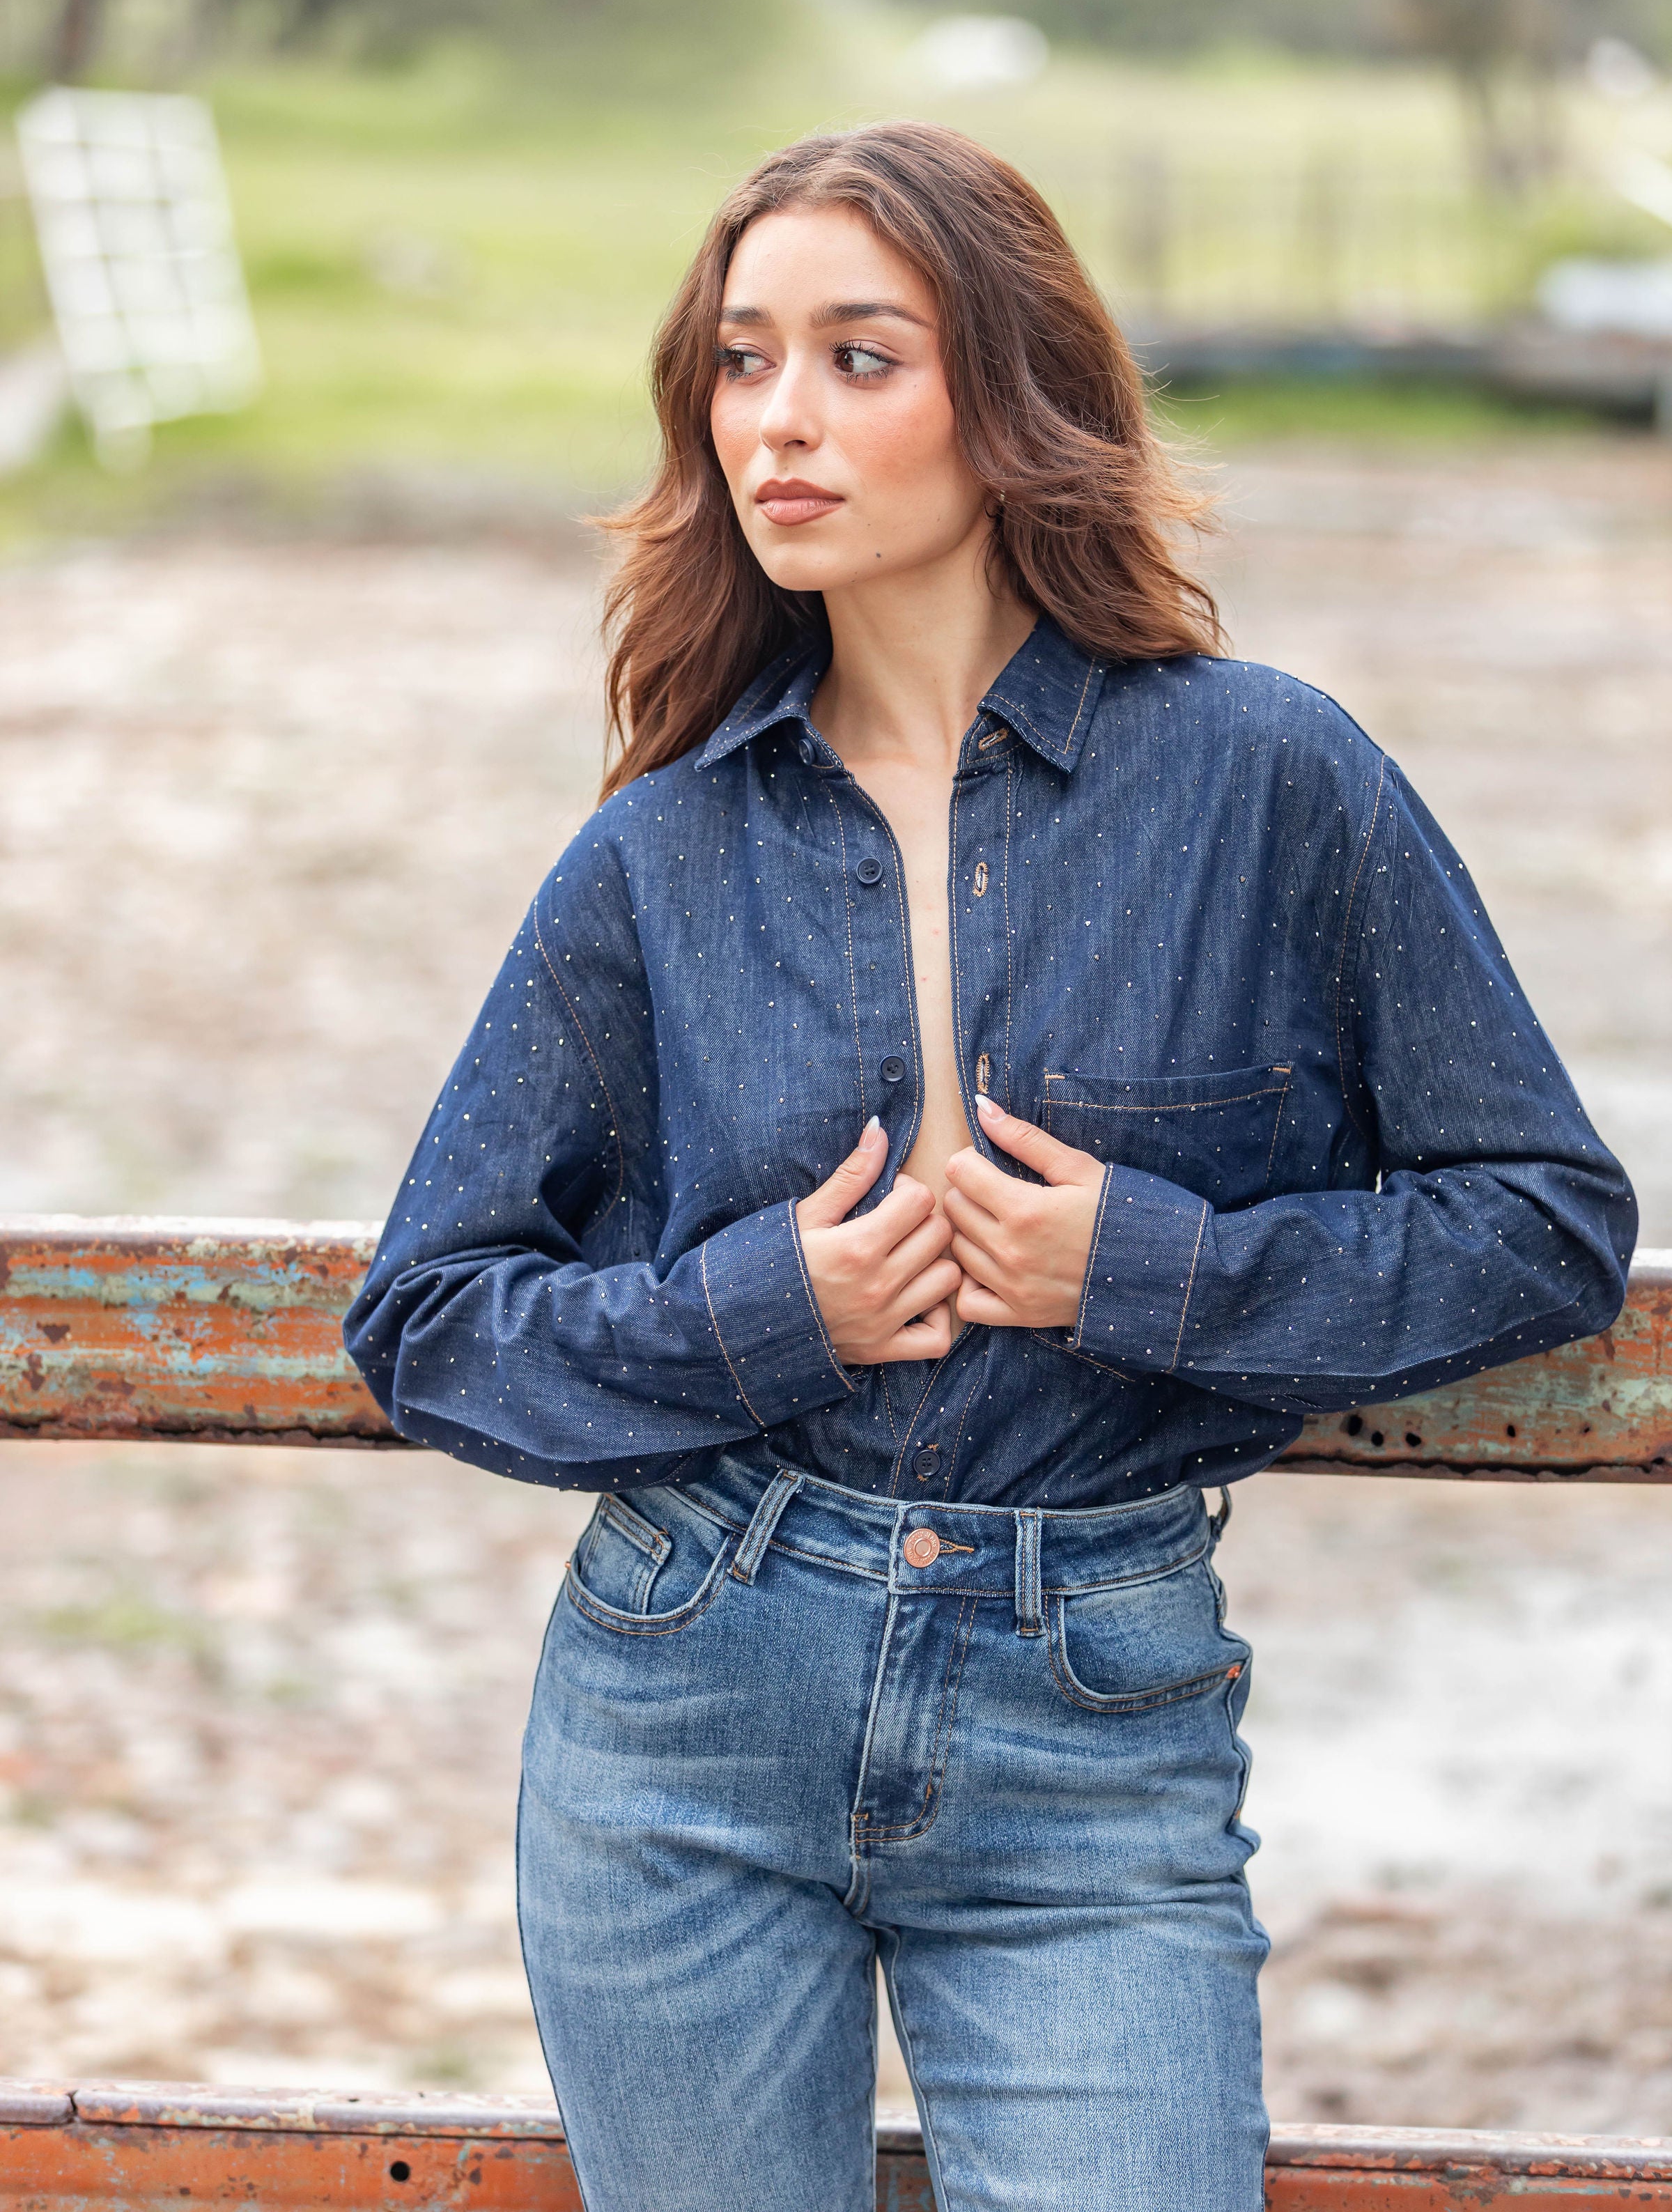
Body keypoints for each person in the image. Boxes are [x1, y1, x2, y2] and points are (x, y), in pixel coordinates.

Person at [344, 121, 1635, 2212]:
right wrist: (775, 1311)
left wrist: (1157, 1271)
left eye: (863, 358)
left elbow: (1543, 1220)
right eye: (744, 362)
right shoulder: (662, 853)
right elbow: (429, 1318)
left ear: (1011, 395)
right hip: (687, 1700)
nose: (782, 421)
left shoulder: (1271, 778)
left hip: (1096, 1705)